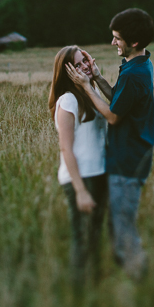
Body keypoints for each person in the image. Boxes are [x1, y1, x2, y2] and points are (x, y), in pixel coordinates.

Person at [66, 8, 154, 281]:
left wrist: (86, 86)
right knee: (118, 228)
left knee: (123, 234)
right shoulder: (139, 64)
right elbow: (119, 98)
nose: (113, 43)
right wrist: (98, 77)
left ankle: (141, 285)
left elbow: (114, 116)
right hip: (128, 159)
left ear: (134, 42)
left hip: (127, 163)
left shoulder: (134, 74)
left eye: (117, 38)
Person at [48, 46, 108, 288]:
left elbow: (116, 111)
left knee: (94, 238)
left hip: (99, 175)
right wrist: (81, 190)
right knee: (81, 239)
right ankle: (78, 293)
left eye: (85, 60)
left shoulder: (90, 92)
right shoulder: (68, 100)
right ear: (68, 71)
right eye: (78, 63)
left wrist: (96, 76)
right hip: (80, 179)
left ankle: (94, 291)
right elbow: (66, 148)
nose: (84, 65)